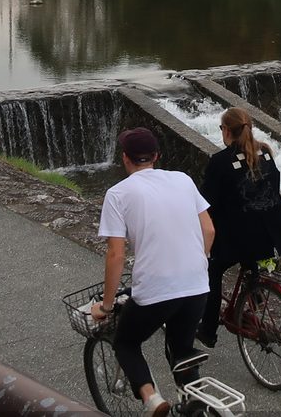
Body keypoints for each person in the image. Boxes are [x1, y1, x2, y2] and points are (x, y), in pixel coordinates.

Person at [94, 127, 214, 417]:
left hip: (157, 290)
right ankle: (195, 407)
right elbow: (209, 229)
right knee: (181, 351)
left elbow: (116, 254)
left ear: (125, 158)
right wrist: (197, 263)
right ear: (156, 157)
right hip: (197, 285)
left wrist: (107, 305)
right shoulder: (182, 180)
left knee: (126, 342)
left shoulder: (118, 193)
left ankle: (151, 400)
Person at [197, 107, 281, 348]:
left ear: (228, 131)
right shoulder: (265, 152)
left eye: (222, 128)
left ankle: (208, 330)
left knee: (213, 270)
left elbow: (205, 202)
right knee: (248, 236)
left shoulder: (220, 162)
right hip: (271, 236)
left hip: (239, 240)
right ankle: (254, 289)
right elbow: (271, 191)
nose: (222, 132)